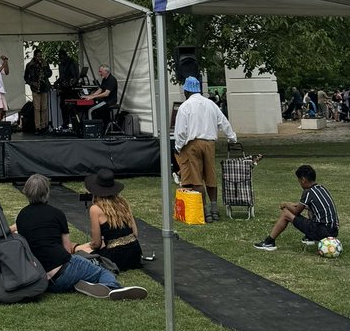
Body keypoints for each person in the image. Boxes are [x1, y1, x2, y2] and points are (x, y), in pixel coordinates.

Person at [15, 174, 147, 300]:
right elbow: (67, 251)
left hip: (43, 281)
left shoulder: (21, 216)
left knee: (81, 261)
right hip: (64, 271)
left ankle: (81, 282)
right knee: (101, 271)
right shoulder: (57, 214)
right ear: (47, 192)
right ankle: (113, 287)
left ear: (26, 192)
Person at [173, 76, 237, 223]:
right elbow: (224, 122)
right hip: (209, 143)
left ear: (186, 90)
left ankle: (204, 210)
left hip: (192, 144)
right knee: (210, 176)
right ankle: (214, 209)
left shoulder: (185, 106)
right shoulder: (211, 104)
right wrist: (232, 138)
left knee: (196, 178)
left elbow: (181, 131)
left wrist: (178, 146)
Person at [255, 164, 339, 251]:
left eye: (299, 181)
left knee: (286, 213)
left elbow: (296, 211)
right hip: (333, 231)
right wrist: (293, 204)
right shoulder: (321, 188)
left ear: (303, 180)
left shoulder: (308, 192)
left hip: (321, 232)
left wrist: (286, 204)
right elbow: (309, 206)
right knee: (310, 208)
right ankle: (309, 237)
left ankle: (269, 242)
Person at [75, 168, 143, 271]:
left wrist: (87, 246)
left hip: (115, 257)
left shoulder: (95, 209)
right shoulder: (123, 203)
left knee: (81, 253)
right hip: (135, 253)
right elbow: (135, 233)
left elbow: (96, 244)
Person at [23, 49, 52, 133]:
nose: (40, 58)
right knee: (37, 108)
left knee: (44, 108)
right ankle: (37, 127)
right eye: (38, 56)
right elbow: (26, 77)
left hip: (44, 87)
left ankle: (44, 126)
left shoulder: (45, 63)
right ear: (34, 56)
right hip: (35, 88)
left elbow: (50, 74)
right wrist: (32, 83)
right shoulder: (29, 65)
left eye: (41, 56)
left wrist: (45, 70)